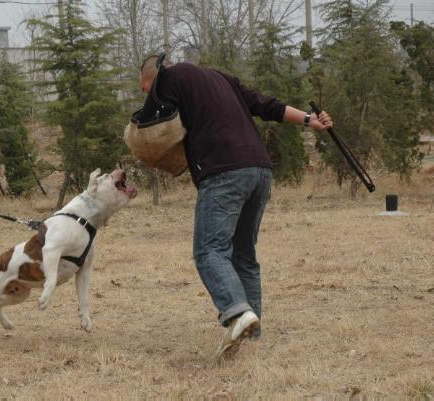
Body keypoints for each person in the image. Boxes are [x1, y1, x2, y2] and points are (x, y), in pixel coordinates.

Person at [138, 55, 333, 359]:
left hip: (223, 171)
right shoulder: (222, 79)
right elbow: (267, 106)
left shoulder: (171, 76)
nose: (147, 94)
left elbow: (148, 119)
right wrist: (310, 120)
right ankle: (251, 330)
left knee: (209, 251)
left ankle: (237, 313)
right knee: (243, 254)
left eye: (145, 88)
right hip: (259, 171)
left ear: (153, 77)